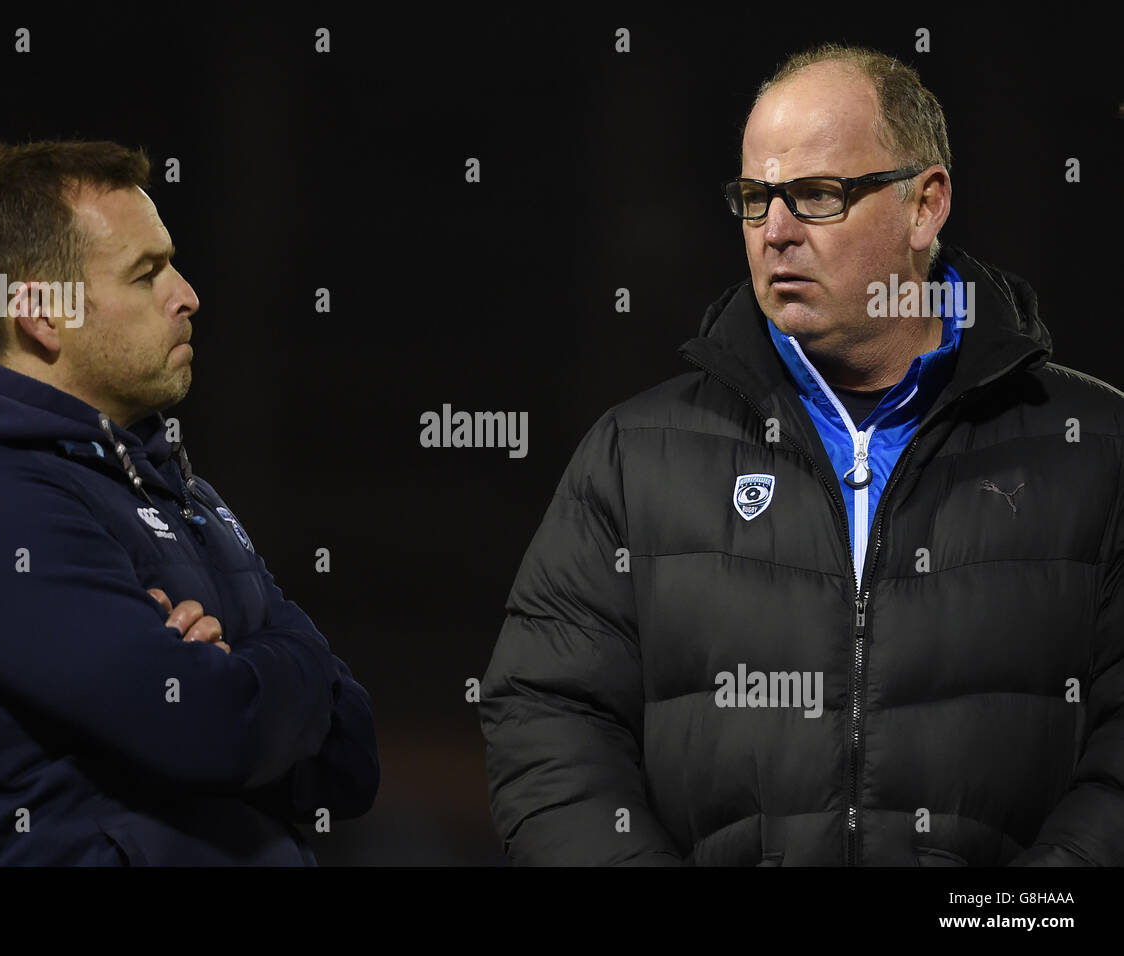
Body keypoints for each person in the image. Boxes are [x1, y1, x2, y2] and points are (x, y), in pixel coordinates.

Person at [479, 43, 1124, 866]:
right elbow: (545, 718)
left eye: (817, 195)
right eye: (756, 198)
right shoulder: (632, 457)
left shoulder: (1097, 448)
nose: (776, 232)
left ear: (925, 206)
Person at [0, 140, 378, 865]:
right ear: (42, 314)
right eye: (146, 275)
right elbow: (212, 727)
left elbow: (352, 759)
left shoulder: (175, 486)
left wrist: (247, 671)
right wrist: (287, 669)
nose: (187, 295)